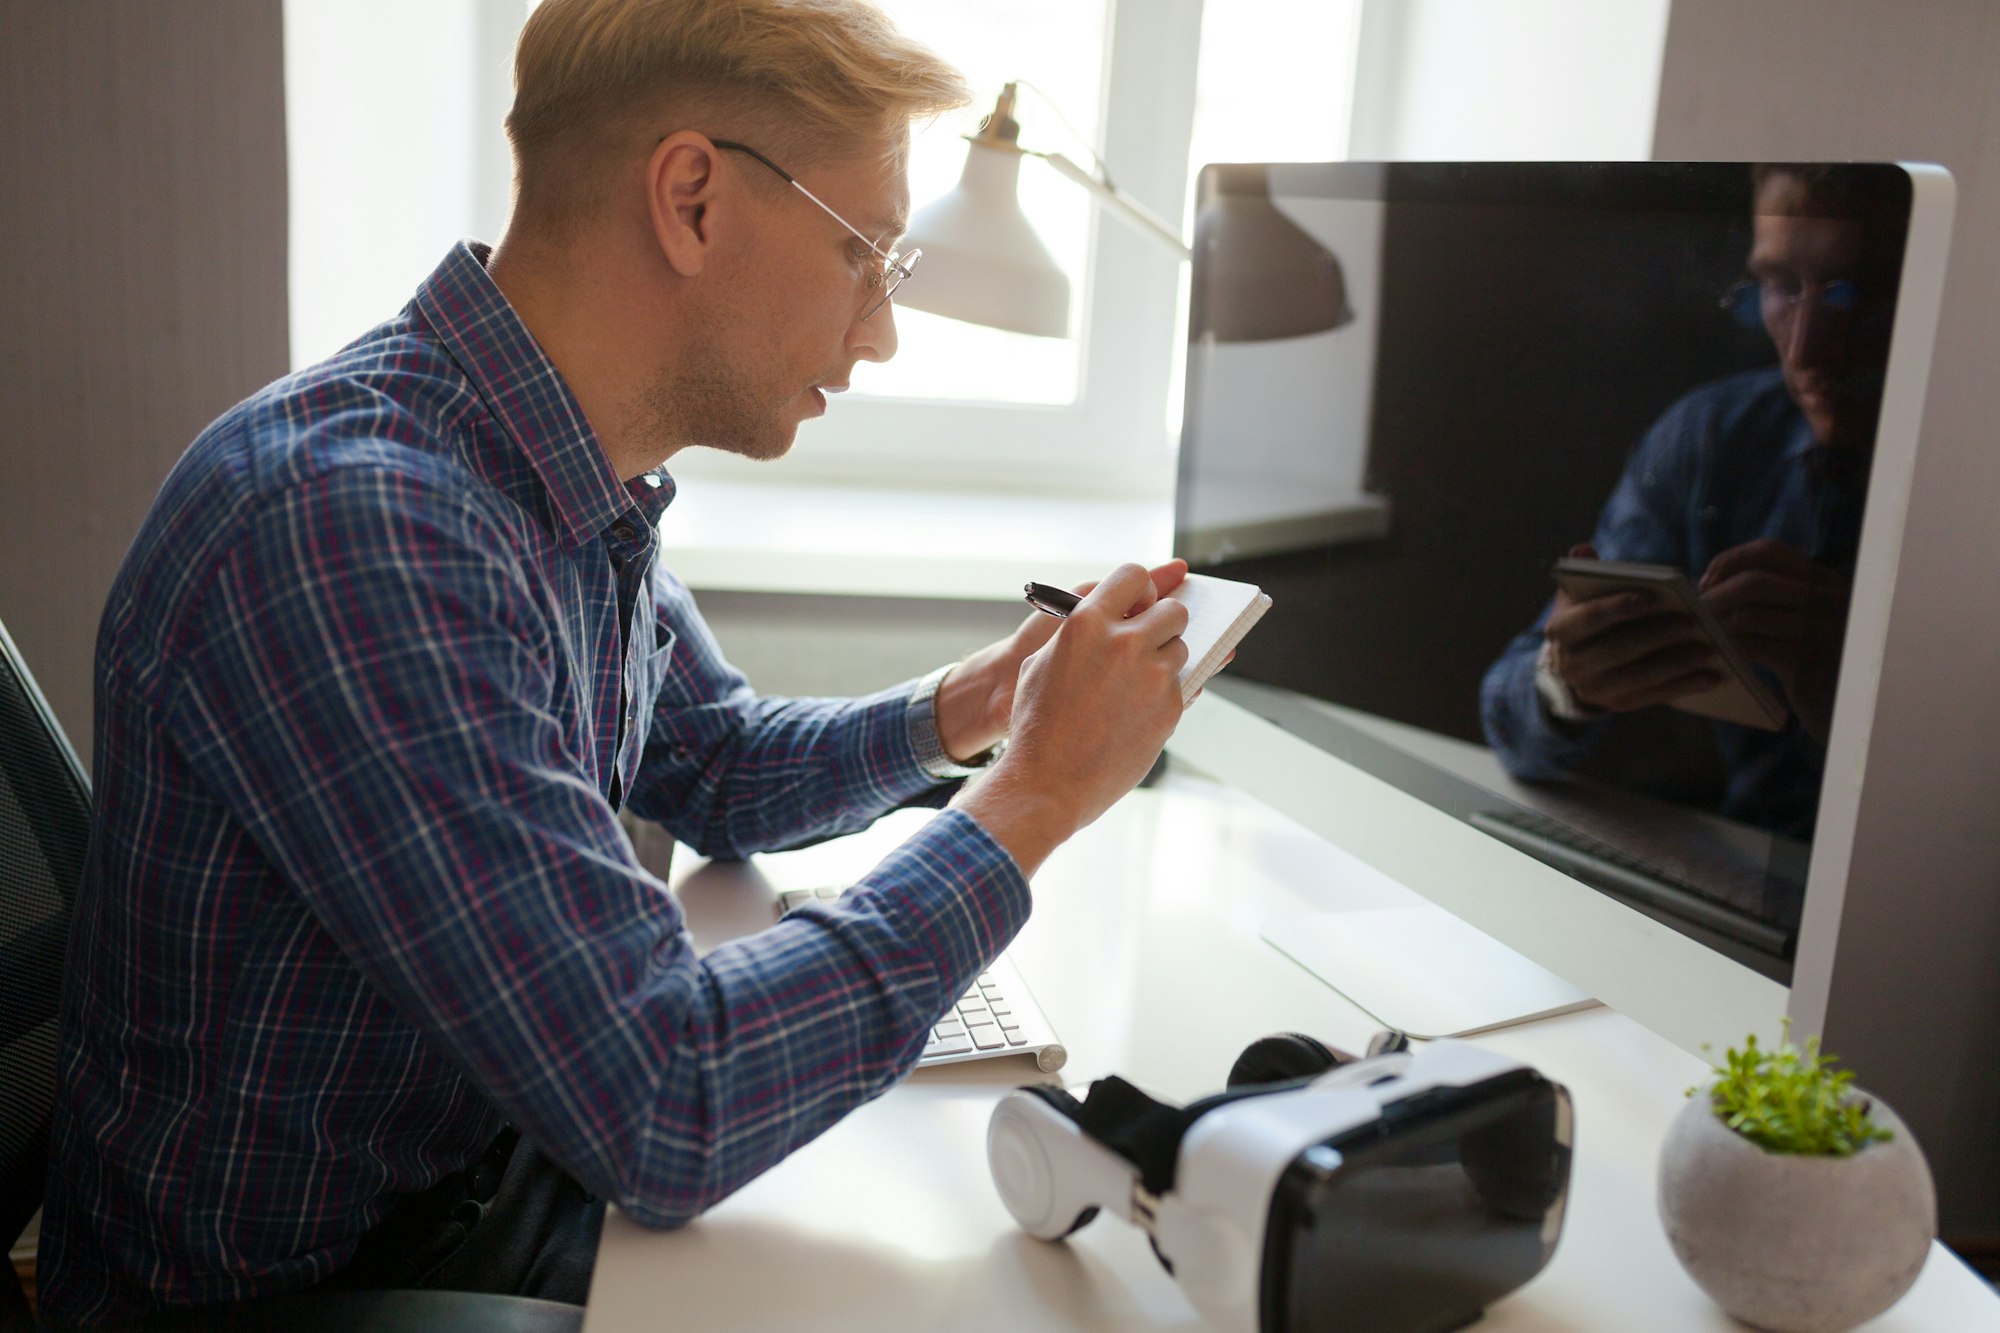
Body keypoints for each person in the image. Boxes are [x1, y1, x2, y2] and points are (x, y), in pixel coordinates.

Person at [37, 1, 1192, 1323]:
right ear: (693, 200)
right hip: (319, 1295)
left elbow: (715, 759)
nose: (879, 333)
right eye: (866, 254)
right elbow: (663, 1098)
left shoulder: (549, 472)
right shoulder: (360, 527)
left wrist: (977, 708)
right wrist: (1035, 796)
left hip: (477, 1194)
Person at [1480, 164, 1904, 838]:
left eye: (1853, 293)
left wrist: (1877, 712)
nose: (1806, 349)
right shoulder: (1712, 440)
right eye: (1779, 285)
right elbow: (1507, 705)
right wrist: (1567, 686)